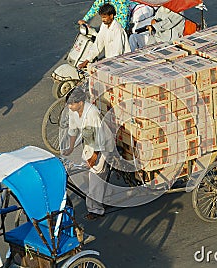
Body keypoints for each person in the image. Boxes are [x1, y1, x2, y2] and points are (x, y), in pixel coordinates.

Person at [60, 88, 115, 220]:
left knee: (95, 176)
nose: (69, 106)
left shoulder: (92, 113)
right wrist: (71, 148)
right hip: (89, 143)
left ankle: (96, 210)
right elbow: (73, 130)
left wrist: (94, 158)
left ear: (80, 102)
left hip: (102, 146)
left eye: (72, 104)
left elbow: (99, 140)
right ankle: (103, 195)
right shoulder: (72, 111)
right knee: (85, 174)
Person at [78, 3, 131, 69]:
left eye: (105, 17)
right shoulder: (104, 25)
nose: (103, 20)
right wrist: (87, 60)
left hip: (120, 62)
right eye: (102, 17)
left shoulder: (117, 29)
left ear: (111, 16)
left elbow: (117, 52)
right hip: (109, 59)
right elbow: (98, 44)